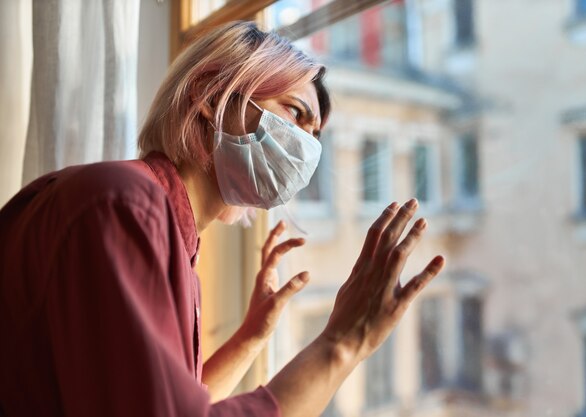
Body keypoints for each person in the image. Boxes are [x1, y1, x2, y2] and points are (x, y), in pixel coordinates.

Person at [0, 21, 445, 416]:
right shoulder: (125, 206)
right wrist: (343, 342)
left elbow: (172, 400)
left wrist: (251, 337)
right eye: (295, 113)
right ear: (210, 96)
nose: (307, 148)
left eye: (314, 135)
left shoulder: (152, 222)